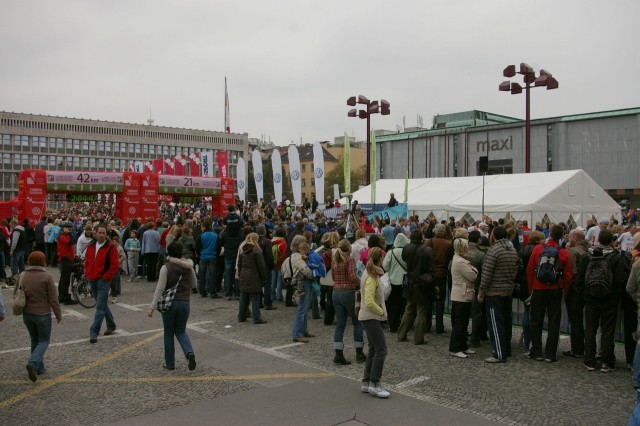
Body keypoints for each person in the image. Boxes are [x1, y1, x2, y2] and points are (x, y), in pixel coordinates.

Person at [578, 230, 627, 373]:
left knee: (590, 329)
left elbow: (580, 278)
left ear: (598, 239)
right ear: (611, 241)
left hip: (591, 298)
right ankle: (606, 360)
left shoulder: (588, 256)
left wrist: (584, 295)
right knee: (607, 330)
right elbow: (619, 280)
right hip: (609, 299)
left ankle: (590, 360)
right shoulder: (615, 257)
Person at [147, 242, 197, 371]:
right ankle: (189, 352)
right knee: (181, 331)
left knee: (168, 332)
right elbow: (194, 284)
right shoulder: (188, 267)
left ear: (168, 253)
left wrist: (152, 306)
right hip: (185, 302)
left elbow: (160, 288)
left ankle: (169, 363)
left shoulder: (166, 267)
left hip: (170, 304)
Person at [525, 225, 572, 362]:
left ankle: (536, 351)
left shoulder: (538, 249)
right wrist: (565, 290)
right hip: (555, 289)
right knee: (554, 322)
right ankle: (550, 354)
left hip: (538, 288)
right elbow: (568, 275)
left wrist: (531, 288)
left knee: (536, 320)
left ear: (549, 234)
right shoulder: (563, 252)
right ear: (562, 235)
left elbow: (530, 270)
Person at [15, 251, 63, 382]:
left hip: (27, 314)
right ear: (43, 262)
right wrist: (58, 315)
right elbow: (53, 299)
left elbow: (16, 293)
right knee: (43, 341)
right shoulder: (46, 277)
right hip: (42, 314)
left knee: (34, 340)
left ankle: (39, 368)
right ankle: (33, 362)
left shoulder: (22, 275)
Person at [478, 226, 518, 363]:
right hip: (508, 289)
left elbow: (486, 274)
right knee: (506, 321)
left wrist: (481, 291)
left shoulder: (494, 251)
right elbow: (515, 270)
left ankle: (499, 353)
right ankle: (506, 349)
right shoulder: (512, 250)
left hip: (495, 291)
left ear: (493, 236)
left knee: (495, 323)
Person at [358, 247, 390, 399]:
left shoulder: (369, 272)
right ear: (380, 259)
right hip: (371, 316)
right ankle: (375, 383)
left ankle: (367, 382)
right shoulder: (372, 276)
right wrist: (381, 312)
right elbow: (369, 301)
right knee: (381, 350)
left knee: (373, 350)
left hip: (368, 316)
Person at [331, 239, 365, 365]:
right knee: (357, 322)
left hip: (336, 292)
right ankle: (359, 353)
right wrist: (361, 283)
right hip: (348, 293)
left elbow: (333, 277)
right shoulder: (349, 260)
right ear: (349, 248)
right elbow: (352, 276)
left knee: (340, 324)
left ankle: (338, 353)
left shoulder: (335, 259)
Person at [397, 230, 434, 345]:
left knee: (408, 310)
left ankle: (401, 334)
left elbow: (404, 259)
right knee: (421, 312)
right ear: (421, 237)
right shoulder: (428, 250)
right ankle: (418, 338)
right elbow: (431, 268)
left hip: (410, 282)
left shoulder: (407, 248)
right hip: (422, 283)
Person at [85, 224, 120, 344]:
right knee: (102, 304)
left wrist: (106, 277)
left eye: (103, 233)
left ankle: (94, 332)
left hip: (103, 280)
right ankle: (111, 324)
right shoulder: (91, 245)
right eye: (99, 232)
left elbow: (115, 265)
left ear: (106, 234)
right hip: (92, 278)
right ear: (95, 233)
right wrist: (87, 272)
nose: (101, 235)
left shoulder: (110, 247)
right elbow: (87, 260)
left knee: (99, 307)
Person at [448, 238, 478, 358]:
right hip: (461, 294)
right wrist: (474, 269)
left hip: (462, 293)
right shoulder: (461, 261)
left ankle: (462, 345)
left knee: (463, 322)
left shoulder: (459, 259)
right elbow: (473, 276)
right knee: (460, 323)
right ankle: (455, 348)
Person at [237, 233, 268, 324]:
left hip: (243, 275)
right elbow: (261, 266)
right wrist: (264, 277)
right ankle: (257, 318)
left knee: (243, 297)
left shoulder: (242, 249)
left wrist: (240, 273)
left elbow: (239, 264)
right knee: (255, 298)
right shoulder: (257, 250)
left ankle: (241, 316)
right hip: (254, 276)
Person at [382, 232, 409, 333]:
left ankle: (393, 326)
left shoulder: (391, 252)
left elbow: (385, 266)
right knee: (404, 304)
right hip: (405, 282)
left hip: (393, 282)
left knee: (394, 305)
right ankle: (405, 326)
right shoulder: (407, 252)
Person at [289, 235, 315, 343]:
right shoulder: (297, 257)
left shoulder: (298, 255)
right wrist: (313, 274)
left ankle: (304, 330)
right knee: (302, 308)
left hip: (304, 283)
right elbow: (305, 270)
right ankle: (297, 333)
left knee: (305, 307)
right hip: (303, 283)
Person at [196, 219, 218, 298]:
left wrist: (200, 254)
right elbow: (218, 247)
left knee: (202, 275)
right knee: (212, 275)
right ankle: (212, 293)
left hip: (203, 256)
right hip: (212, 256)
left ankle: (202, 292)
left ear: (204, 227)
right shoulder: (215, 235)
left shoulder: (201, 236)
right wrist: (216, 254)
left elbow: (197, 247)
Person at [57, 221, 77, 305]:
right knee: (65, 279)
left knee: (63, 279)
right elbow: (71, 242)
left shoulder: (65, 235)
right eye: (68, 227)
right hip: (65, 259)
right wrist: (70, 233)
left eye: (70, 227)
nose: (70, 229)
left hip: (67, 258)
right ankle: (65, 297)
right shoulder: (62, 236)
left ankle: (61, 296)